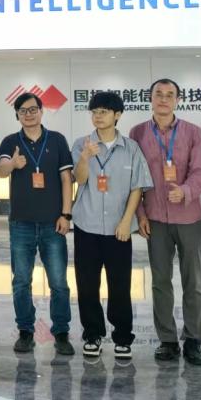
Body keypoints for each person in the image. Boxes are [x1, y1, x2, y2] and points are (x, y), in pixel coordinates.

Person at [129, 78, 201, 366]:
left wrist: (185, 191)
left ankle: (194, 340)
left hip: (188, 217)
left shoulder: (193, 132)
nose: (163, 99)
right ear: (150, 98)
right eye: (158, 94)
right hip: (155, 219)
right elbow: (134, 177)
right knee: (160, 281)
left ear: (178, 99)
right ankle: (167, 340)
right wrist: (140, 214)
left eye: (169, 94)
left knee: (193, 280)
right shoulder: (138, 133)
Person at [71, 91, 152, 359]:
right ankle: (92, 334)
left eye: (104, 112)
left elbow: (137, 187)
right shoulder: (81, 144)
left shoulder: (131, 148)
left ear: (117, 115)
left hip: (119, 228)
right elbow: (79, 179)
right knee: (87, 284)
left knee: (120, 284)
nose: (98, 116)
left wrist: (127, 221)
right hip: (87, 225)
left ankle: (122, 337)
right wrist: (85, 157)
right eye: (94, 112)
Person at [0, 92, 75, 356]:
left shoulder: (57, 140)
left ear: (42, 111)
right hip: (22, 224)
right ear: (17, 115)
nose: (28, 114)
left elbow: (66, 179)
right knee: (21, 281)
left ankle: (61, 332)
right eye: (23, 111)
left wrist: (66, 215)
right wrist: (13, 163)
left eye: (33, 109)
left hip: (53, 223)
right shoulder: (10, 141)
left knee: (58, 282)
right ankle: (25, 331)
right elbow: (2, 170)